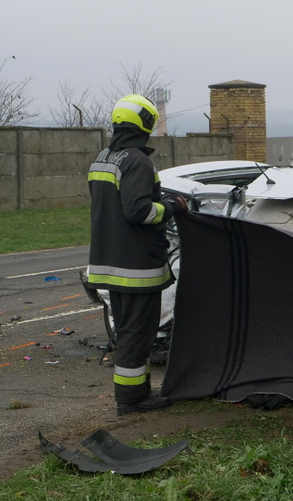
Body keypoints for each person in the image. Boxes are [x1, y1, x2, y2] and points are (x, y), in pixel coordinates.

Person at [87, 94, 188, 415]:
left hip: (107, 261)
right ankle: (132, 400)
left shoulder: (104, 158)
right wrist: (172, 207)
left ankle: (140, 392)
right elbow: (139, 212)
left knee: (130, 330)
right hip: (135, 266)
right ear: (145, 123)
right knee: (137, 333)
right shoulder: (138, 161)